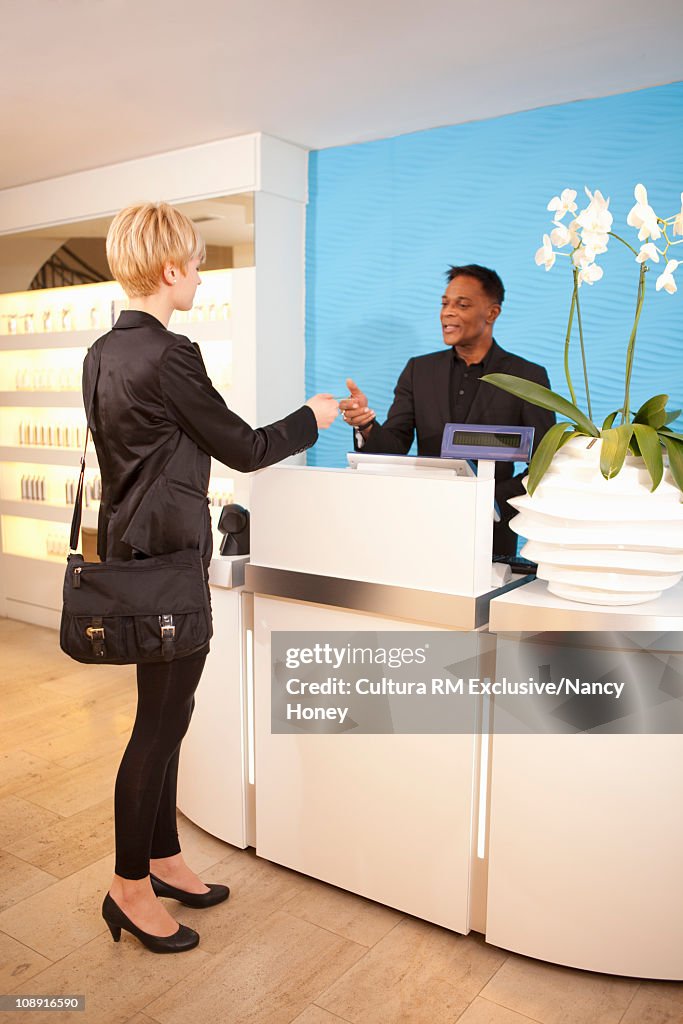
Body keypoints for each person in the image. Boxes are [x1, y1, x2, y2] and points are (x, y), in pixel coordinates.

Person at [86, 202, 338, 953]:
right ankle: (128, 886)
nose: (198, 274)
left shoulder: (102, 350)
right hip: (169, 566)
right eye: (195, 263)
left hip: (132, 559)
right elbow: (247, 447)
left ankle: (162, 856)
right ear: (169, 270)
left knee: (168, 716)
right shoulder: (171, 353)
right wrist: (314, 416)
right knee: (159, 726)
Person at [339, 265, 554, 555]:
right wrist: (365, 425)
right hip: (423, 521)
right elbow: (394, 445)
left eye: (462, 304)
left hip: (491, 532)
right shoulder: (419, 370)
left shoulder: (527, 376)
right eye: (444, 304)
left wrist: (490, 500)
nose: (447, 313)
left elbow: (543, 464)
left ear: (492, 313)